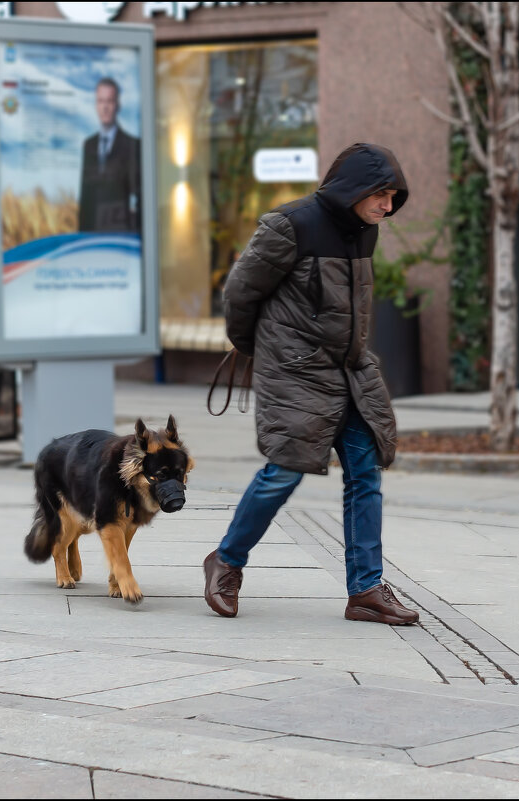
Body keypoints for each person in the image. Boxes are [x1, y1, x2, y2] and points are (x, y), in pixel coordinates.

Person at [203, 143, 418, 626]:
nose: (388, 206)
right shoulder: (290, 224)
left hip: (350, 370)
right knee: (285, 470)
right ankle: (226, 562)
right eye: (381, 194)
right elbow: (240, 291)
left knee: (366, 473)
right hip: (296, 370)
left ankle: (365, 590)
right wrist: (257, 348)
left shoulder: (366, 232)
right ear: (354, 189)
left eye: (392, 196)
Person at [78, 77, 141, 233]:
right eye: (100, 101)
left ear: (117, 105)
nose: (105, 107)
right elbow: (85, 195)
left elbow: (139, 195)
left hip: (119, 235)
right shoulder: (89, 145)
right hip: (91, 234)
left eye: (109, 101)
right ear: (96, 105)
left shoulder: (132, 145)